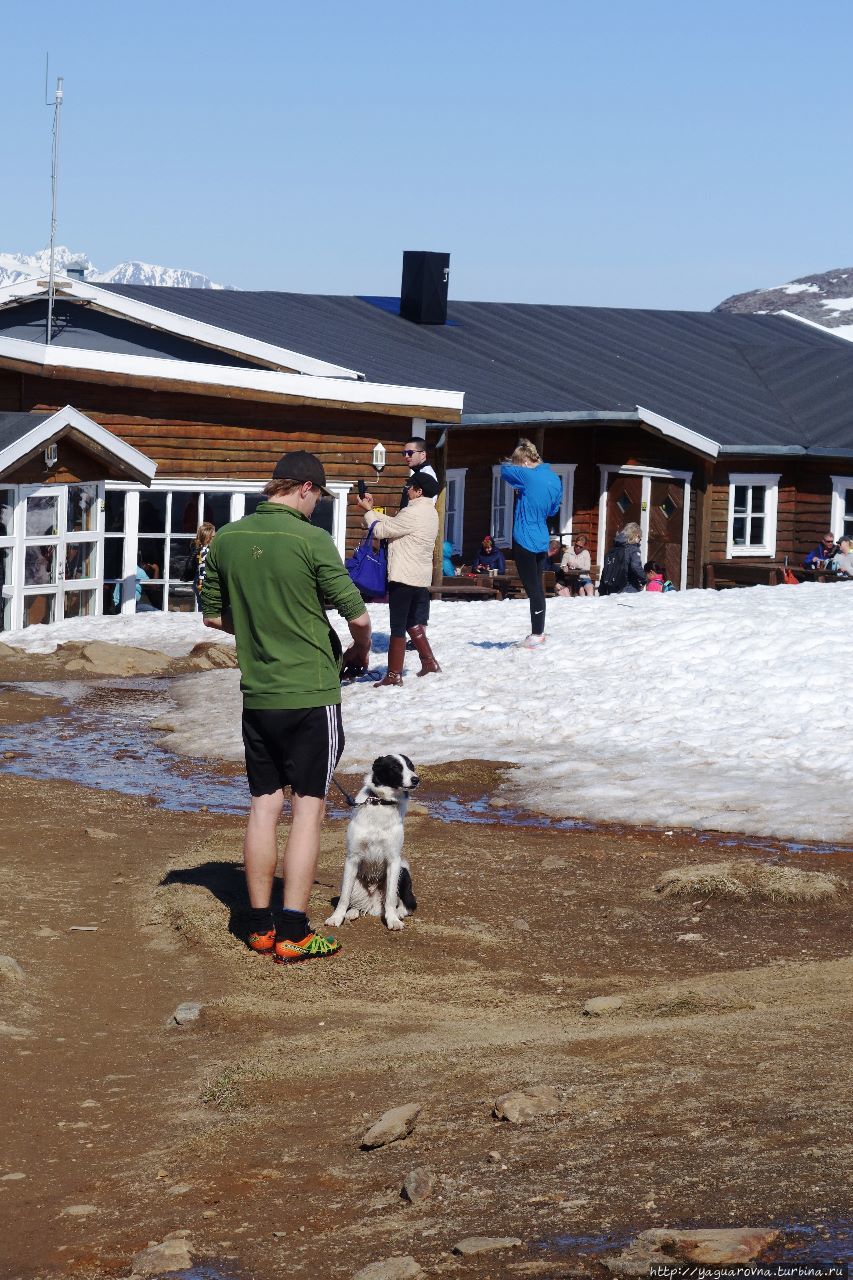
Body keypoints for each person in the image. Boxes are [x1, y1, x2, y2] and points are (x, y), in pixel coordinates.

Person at [201, 451, 372, 965]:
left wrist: (258, 629)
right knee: (308, 811)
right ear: (302, 487)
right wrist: (358, 653)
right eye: (318, 496)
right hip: (311, 693)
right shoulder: (311, 539)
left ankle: (258, 926)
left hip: (259, 695)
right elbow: (359, 617)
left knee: (263, 806)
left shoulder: (226, 539)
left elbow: (213, 619)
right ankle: (295, 931)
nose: (317, 506)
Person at [357, 472, 440, 685]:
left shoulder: (413, 512)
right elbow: (396, 523)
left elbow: (383, 531)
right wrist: (372, 510)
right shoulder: (429, 512)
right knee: (412, 620)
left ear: (419, 491)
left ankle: (394, 675)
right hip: (418, 577)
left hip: (403, 575)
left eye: (410, 485)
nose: (407, 489)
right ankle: (429, 662)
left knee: (397, 625)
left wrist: (368, 514)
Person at [500, 438, 562, 647]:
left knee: (532, 588)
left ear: (525, 462)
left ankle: (537, 634)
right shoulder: (554, 479)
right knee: (539, 586)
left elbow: (504, 471)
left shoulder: (526, 474)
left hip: (524, 538)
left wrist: (520, 470)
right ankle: (539, 630)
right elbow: (554, 510)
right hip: (542, 536)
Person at [598, 522, 646, 596]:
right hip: (628, 586)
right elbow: (635, 566)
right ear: (636, 535)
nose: (640, 541)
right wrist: (643, 579)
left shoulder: (613, 549)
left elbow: (606, 570)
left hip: (611, 588)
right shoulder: (633, 549)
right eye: (640, 538)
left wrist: (602, 590)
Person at [399, 437, 438, 510]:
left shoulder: (426, 474)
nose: (406, 456)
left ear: (423, 454)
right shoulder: (419, 473)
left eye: (410, 453)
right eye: (404, 453)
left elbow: (429, 505)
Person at [189, 521, 215, 607]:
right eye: (213, 537)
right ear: (208, 538)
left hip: (200, 583)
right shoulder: (206, 551)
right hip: (204, 584)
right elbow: (203, 571)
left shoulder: (199, 549)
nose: (215, 538)